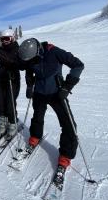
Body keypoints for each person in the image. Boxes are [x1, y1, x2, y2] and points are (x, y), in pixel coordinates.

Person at [18, 38, 84, 179]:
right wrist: (30, 86)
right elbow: (29, 72)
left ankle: (65, 156)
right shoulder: (29, 56)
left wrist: (67, 86)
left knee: (68, 124)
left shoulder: (54, 52)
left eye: (33, 58)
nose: (31, 61)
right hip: (40, 92)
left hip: (57, 93)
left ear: (38, 50)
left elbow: (78, 65)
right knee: (37, 117)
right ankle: (35, 137)